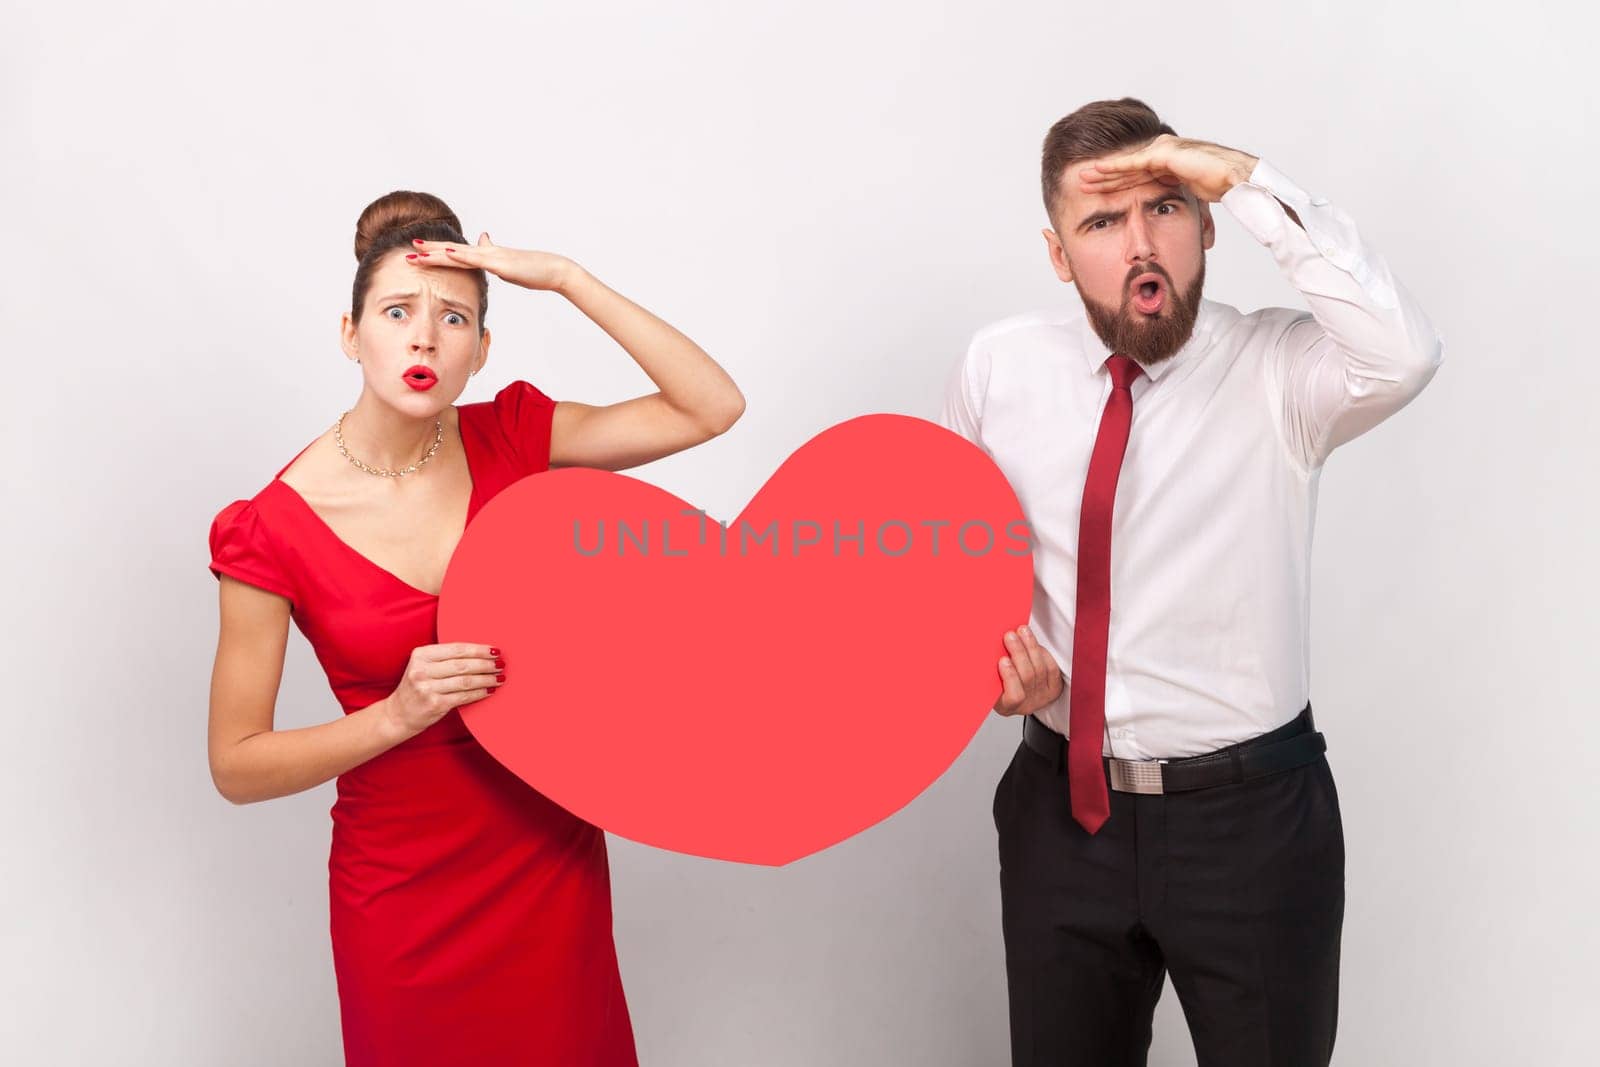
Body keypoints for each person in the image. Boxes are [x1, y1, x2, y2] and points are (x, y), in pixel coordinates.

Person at [939, 98, 1443, 1066]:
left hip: (1249, 823)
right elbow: (946, 576)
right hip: (1058, 814)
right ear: (1057, 255)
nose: (1138, 244)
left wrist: (1242, 174)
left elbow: (1405, 351)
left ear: (1205, 224)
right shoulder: (998, 368)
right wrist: (993, 671)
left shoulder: (1282, 370)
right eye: (1100, 222)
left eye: (1163, 207)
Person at [205, 190, 745, 1066]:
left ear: (481, 349)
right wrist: (395, 714)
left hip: (545, 863)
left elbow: (710, 407)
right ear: (352, 334)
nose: (425, 337)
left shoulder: (516, 438)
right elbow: (235, 763)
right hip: (401, 897)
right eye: (397, 312)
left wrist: (567, 278)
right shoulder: (269, 528)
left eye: (454, 318)